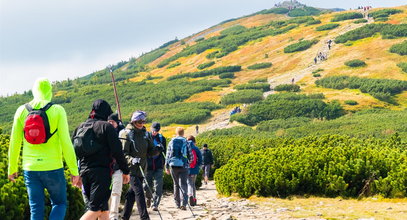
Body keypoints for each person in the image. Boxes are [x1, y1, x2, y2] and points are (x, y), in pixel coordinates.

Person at [8, 78, 80, 220]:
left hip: (30, 168)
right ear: (50, 92)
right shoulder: (58, 110)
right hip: (53, 167)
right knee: (59, 204)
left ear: (34, 91)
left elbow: (14, 142)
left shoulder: (21, 111)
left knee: (36, 208)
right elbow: (66, 142)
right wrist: (74, 170)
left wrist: (12, 168)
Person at [74, 99, 130, 220]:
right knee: (95, 209)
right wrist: (125, 171)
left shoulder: (80, 127)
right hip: (101, 173)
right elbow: (117, 152)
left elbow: (74, 152)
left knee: (103, 209)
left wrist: (76, 173)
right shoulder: (106, 127)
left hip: (84, 173)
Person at [121, 111, 163, 220]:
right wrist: (131, 160)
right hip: (130, 170)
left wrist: (157, 150)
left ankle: (124, 217)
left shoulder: (145, 134)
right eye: (140, 121)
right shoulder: (127, 133)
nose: (142, 123)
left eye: (144, 121)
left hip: (141, 169)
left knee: (131, 195)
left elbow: (150, 152)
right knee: (139, 193)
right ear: (134, 121)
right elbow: (123, 154)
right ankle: (145, 217)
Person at [165, 127, 193, 210]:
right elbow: (190, 155)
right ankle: (183, 203)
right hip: (184, 165)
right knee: (184, 184)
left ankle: (177, 203)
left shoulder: (171, 142)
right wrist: (189, 162)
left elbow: (168, 155)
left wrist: (166, 166)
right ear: (183, 133)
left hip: (173, 166)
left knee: (176, 184)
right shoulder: (186, 142)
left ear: (176, 133)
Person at [144, 122, 167, 211]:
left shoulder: (162, 139)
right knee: (146, 185)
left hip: (158, 166)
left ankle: (155, 204)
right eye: (153, 130)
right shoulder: (145, 137)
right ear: (150, 128)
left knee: (158, 186)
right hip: (148, 165)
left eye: (156, 131)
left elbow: (164, 152)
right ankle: (148, 198)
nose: (154, 132)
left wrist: (165, 164)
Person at [107, 113, 126, 220]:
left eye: (112, 122)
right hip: (107, 168)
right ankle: (108, 213)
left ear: (117, 123)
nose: (110, 124)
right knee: (108, 193)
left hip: (117, 168)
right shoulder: (104, 133)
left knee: (116, 192)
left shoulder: (121, 134)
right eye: (109, 122)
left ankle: (113, 216)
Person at [186, 135, 202, 206]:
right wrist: (198, 165)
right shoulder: (196, 148)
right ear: (194, 141)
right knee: (192, 184)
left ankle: (189, 196)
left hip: (186, 168)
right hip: (194, 168)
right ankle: (193, 198)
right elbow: (201, 159)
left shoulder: (185, 147)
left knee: (188, 183)